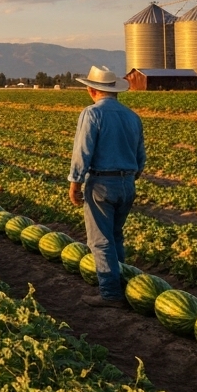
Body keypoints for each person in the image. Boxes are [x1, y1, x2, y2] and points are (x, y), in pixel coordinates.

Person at [69, 66, 145, 308]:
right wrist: (130, 177)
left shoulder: (92, 114)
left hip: (102, 183)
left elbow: (83, 151)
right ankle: (121, 282)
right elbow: (140, 156)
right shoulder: (132, 116)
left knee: (100, 240)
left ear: (92, 90)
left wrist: (75, 183)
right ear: (116, 92)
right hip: (127, 183)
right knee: (115, 236)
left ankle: (110, 292)